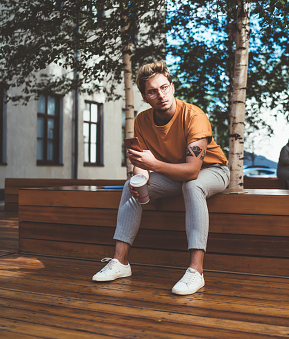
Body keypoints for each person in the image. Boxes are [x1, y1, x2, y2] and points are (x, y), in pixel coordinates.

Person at [92, 61, 230, 296]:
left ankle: (196, 271)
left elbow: (191, 171)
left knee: (192, 185)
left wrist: (152, 165)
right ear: (145, 98)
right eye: (153, 91)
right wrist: (141, 182)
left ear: (172, 87)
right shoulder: (142, 121)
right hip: (173, 173)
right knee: (130, 185)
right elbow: (142, 167)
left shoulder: (193, 115)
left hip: (212, 170)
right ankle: (120, 262)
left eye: (164, 88)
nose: (161, 95)